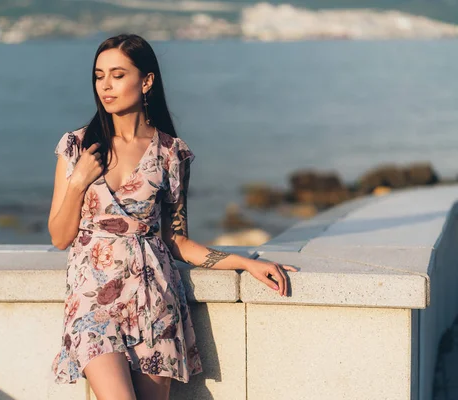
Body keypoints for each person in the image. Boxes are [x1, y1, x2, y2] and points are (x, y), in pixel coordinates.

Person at [48, 33, 298, 400]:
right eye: (99, 75)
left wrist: (246, 263)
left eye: (118, 74)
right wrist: (78, 183)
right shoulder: (77, 146)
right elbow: (59, 236)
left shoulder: (171, 153)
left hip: (154, 299)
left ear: (146, 81)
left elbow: (176, 240)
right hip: (91, 298)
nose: (106, 85)